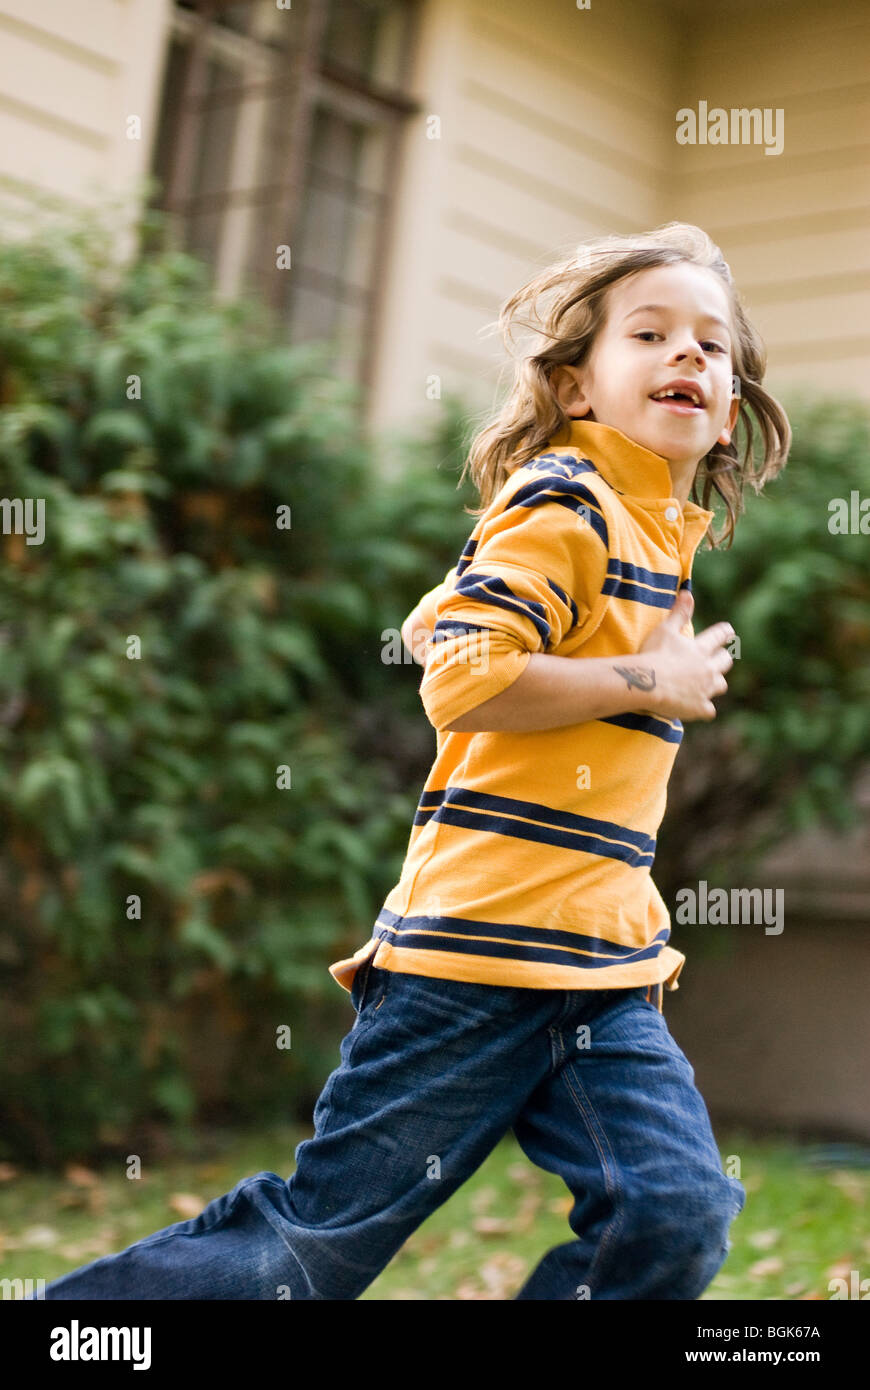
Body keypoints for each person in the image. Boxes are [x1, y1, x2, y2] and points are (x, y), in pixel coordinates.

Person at [39, 222, 789, 1301]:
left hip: (604, 968)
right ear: (576, 386)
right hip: (469, 962)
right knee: (313, 1249)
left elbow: (451, 619)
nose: (690, 357)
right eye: (653, 333)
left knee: (674, 1213)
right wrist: (642, 683)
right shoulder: (566, 500)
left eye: (713, 347)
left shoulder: (648, 530)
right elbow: (468, 679)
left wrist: (460, 612)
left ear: (729, 404)